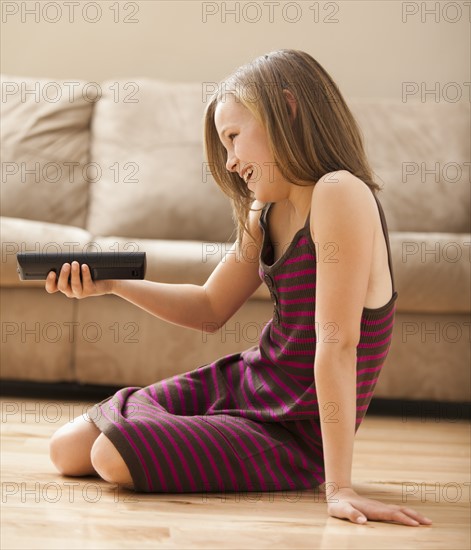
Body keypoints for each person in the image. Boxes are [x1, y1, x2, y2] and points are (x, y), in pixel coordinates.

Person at [47, 49, 432, 527]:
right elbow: (209, 308)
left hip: (294, 430)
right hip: (246, 383)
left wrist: (341, 488)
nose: (229, 163)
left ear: (287, 109)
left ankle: (171, 436)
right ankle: (176, 433)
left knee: (110, 455)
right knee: (67, 450)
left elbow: (339, 345)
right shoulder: (265, 208)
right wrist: (113, 284)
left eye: (233, 138)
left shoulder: (339, 192)